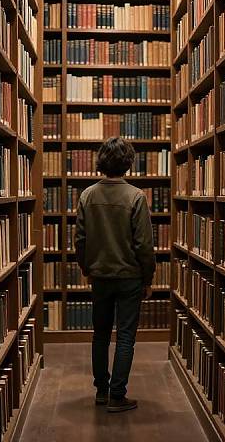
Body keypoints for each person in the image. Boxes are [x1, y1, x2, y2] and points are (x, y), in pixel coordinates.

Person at [75, 137, 155, 413]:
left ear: (101, 162)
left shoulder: (87, 195)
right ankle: (117, 396)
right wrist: (148, 279)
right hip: (130, 276)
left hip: (100, 276)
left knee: (99, 334)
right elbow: (144, 244)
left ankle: (101, 391)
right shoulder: (136, 196)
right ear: (128, 163)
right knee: (125, 336)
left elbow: (80, 240)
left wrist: (86, 268)